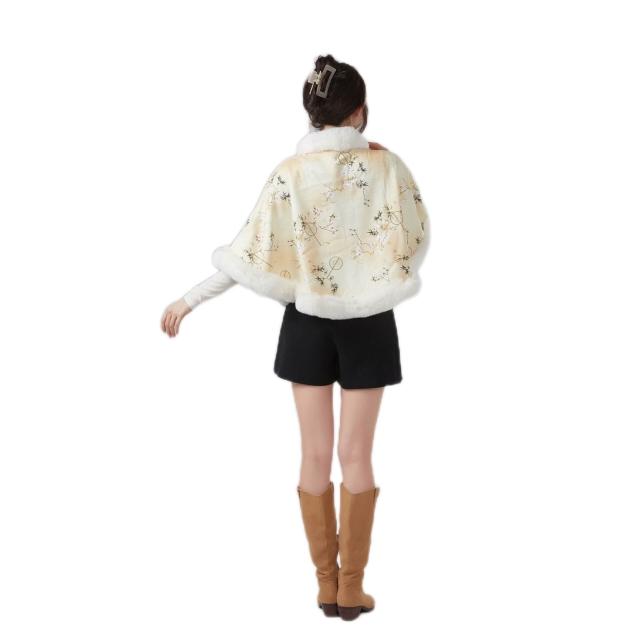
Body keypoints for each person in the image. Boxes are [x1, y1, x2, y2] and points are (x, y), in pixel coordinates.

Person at [160, 53, 430, 621]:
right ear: (359, 111)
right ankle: (352, 590)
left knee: (314, 454)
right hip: (369, 323)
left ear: (312, 113)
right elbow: (414, 240)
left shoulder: (289, 173)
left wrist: (190, 299)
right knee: (357, 455)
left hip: (307, 325)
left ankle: (326, 586)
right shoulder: (388, 166)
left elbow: (248, 254)